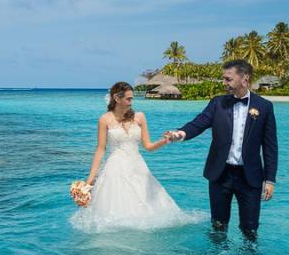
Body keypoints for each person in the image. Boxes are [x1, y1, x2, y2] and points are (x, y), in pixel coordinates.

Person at [162, 60, 278, 240]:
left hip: (250, 177)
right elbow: (198, 123)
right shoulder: (217, 103)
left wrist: (270, 179)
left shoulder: (264, 106)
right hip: (220, 174)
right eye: (224, 79)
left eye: (228, 79)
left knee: (250, 229)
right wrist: (180, 133)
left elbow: (270, 146)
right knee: (218, 225)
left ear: (244, 79)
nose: (224, 83)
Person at [72, 81, 198, 232]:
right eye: (129, 99)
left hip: (138, 166)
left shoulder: (140, 117)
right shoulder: (104, 119)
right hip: (115, 169)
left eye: (132, 99)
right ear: (117, 98)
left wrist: (166, 140)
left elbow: (148, 147)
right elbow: (100, 150)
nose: (132, 102)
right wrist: (90, 180)